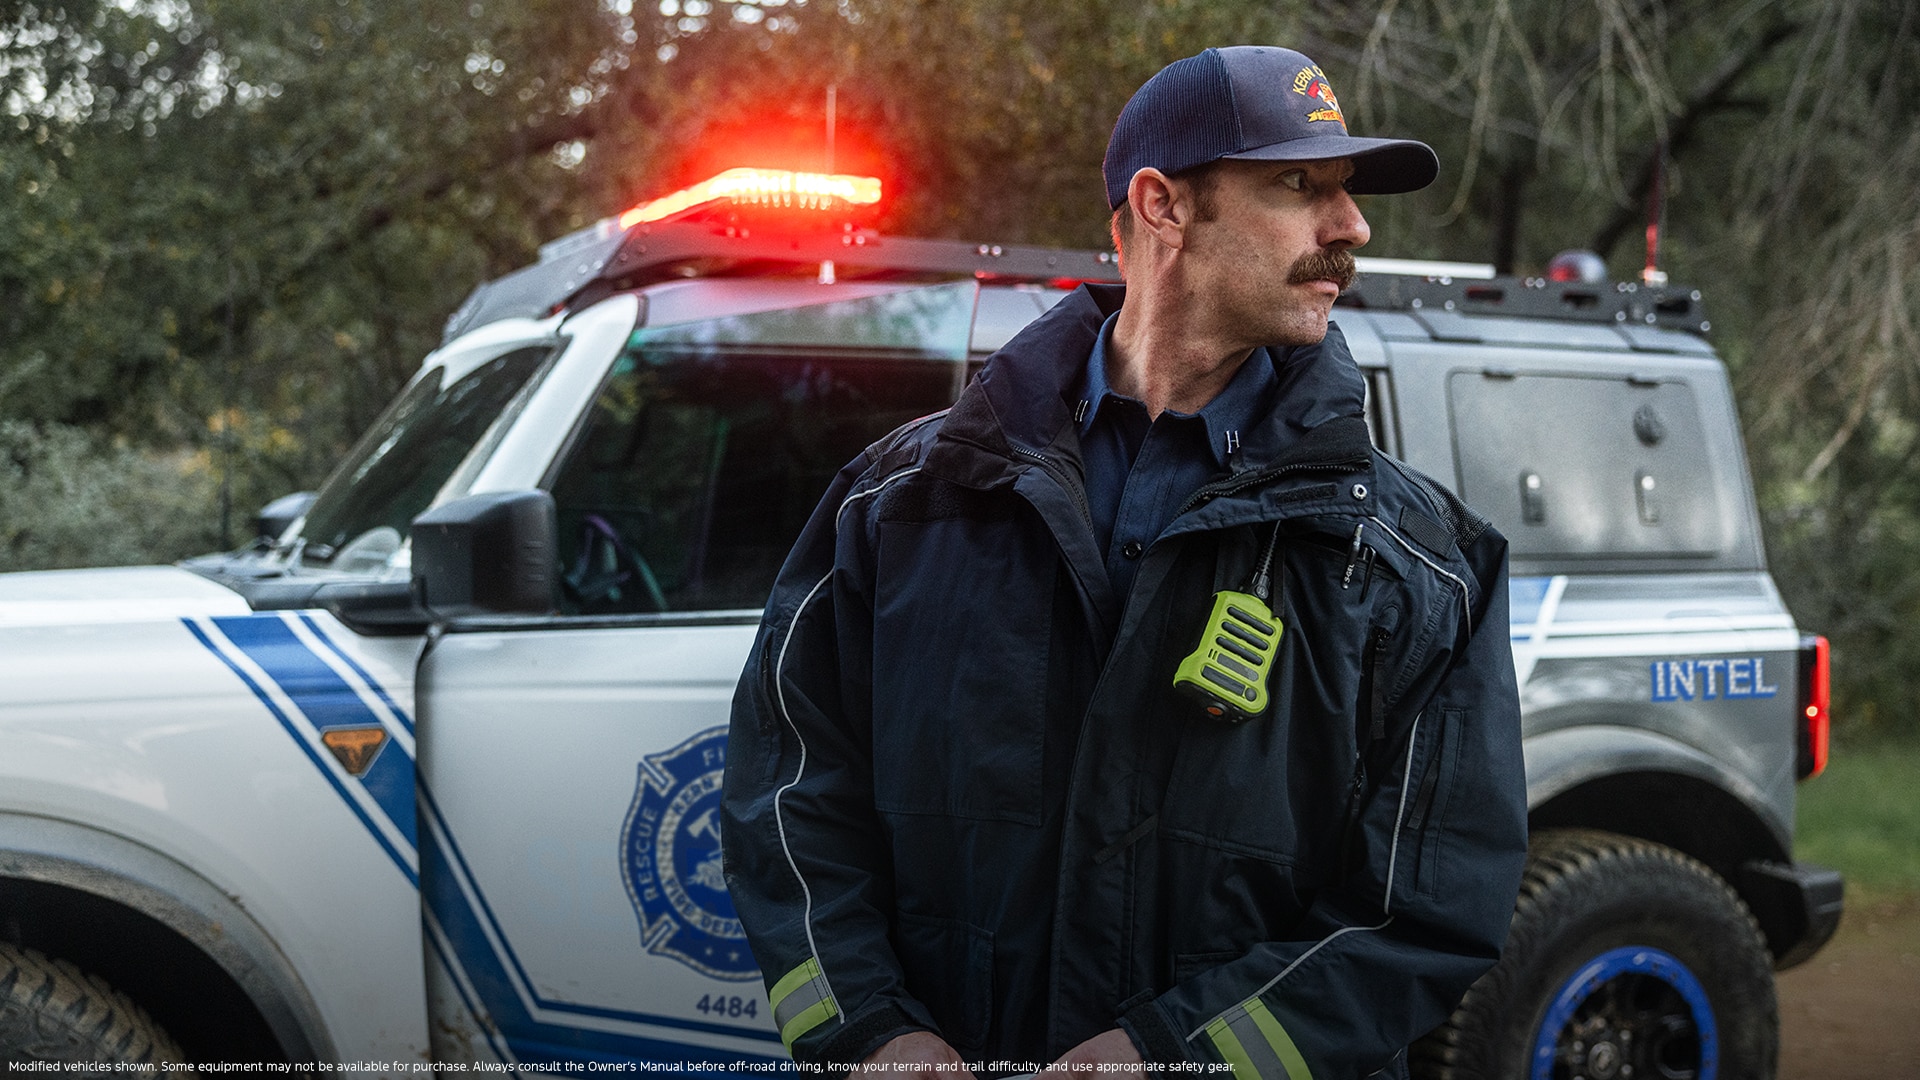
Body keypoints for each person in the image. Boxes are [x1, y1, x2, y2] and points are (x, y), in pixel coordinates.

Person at [722, 45, 1527, 1080]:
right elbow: (790, 792)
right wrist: (870, 1027)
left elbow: (1427, 912)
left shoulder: (1427, 568)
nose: (1352, 227)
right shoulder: (898, 504)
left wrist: (1178, 1058)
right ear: (1162, 206)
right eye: (1300, 185)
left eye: (1348, 192)